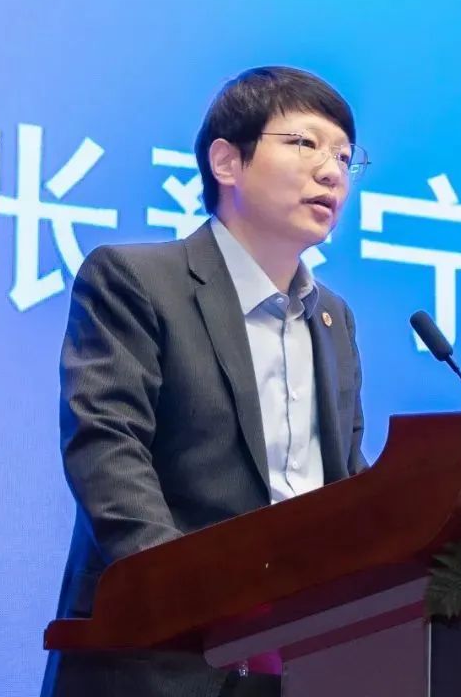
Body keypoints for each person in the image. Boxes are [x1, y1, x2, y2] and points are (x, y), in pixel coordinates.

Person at [40, 66, 370, 697]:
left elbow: (344, 480)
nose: (332, 172)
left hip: (300, 662)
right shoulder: (138, 280)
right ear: (226, 161)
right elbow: (108, 446)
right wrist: (188, 596)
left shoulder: (333, 319)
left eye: (344, 157)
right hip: (164, 657)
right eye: (305, 143)